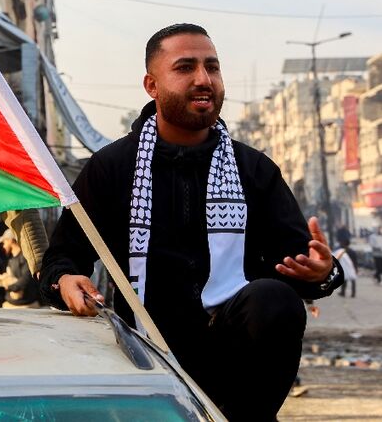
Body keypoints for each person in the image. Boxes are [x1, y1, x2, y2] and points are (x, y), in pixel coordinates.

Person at [39, 23, 343, 422]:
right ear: (152, 84)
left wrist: (322, 272)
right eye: (185, 68)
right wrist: (65, 280)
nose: (204, 80)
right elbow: (61, 259)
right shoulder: (112, 168)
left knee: (275, 299)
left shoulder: (254, 169)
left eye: (212, 68)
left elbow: (298, 268)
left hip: (236, 364)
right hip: (144, 353)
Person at [0, 229, 40, 308]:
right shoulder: (10, 259)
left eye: (4, 242)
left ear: (11, 240)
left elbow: (26, 279)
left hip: (26, 307)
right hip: (10, 305)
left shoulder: (26, 258)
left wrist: (8, 286)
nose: (3, 245)